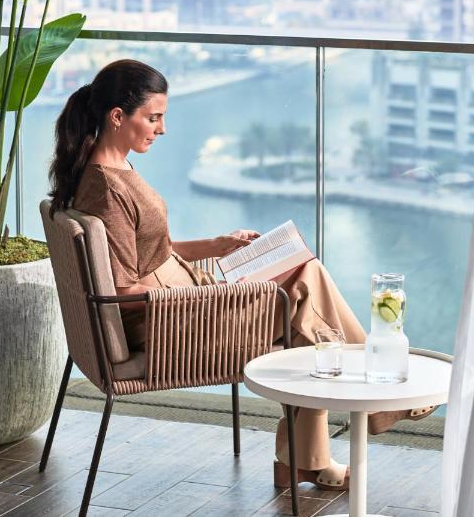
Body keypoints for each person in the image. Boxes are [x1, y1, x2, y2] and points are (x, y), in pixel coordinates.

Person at [49, 59, 434, 492]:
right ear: (117, 116)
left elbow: (147, 255)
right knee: (306, 288)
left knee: (305, 284)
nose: (162, 129)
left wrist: (214, 246)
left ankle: (308, 457)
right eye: (153, 118)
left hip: (190, 301)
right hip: (175, 326)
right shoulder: (107, 188)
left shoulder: (113, 171)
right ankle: (371, 399)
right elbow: (124, 291)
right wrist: (207, 297)